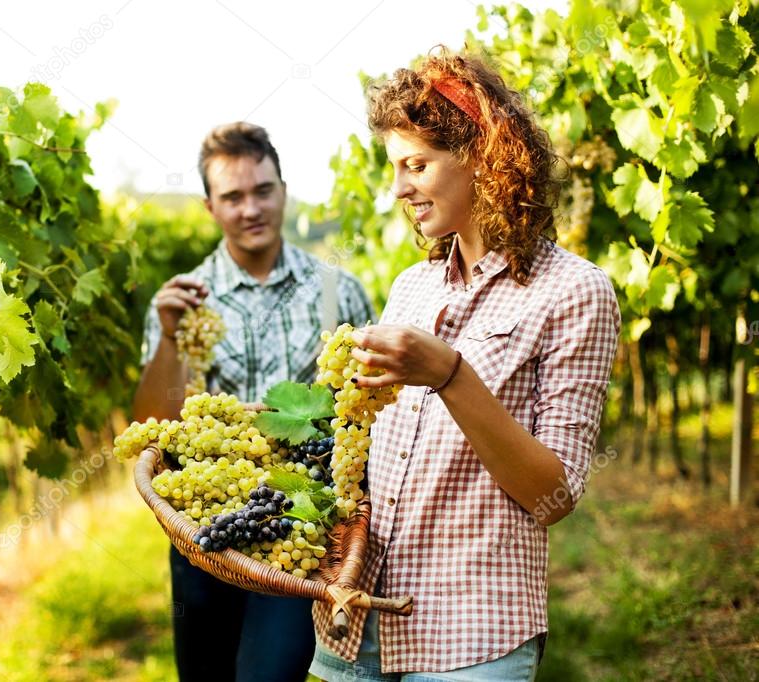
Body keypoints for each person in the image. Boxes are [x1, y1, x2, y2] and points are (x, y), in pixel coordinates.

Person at [308, 52, 621, 681]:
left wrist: (451, 375)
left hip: (471, 633)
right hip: (354, 625)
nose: (399, 189)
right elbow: (365, 449)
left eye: (416, 165)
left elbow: (553, 495)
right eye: (394, 168)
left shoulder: (574, 293)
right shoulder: (410, 289)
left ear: (481, 153)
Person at [133, 122, 375, 682]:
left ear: (284, 190)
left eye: (262, 190)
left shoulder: (339, 291)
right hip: (203, 529)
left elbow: (368, 416)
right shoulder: (183, 301)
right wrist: (169, 338)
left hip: (295, 528)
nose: (251, 208)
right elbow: (152, 426)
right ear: (210, 207)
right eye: (233, 197)